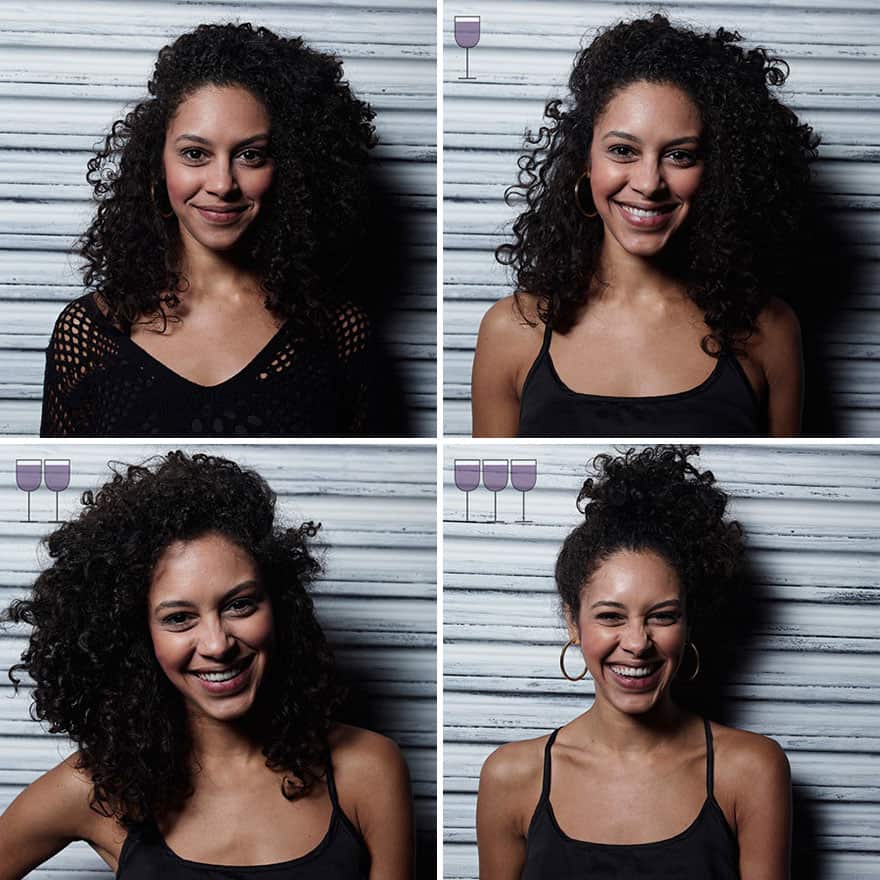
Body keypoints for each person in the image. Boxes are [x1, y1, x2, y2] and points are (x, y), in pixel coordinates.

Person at [0, 452, 412, 878]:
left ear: (278, 605)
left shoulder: (367, 770)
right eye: (179, 618)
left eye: (239, 605)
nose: (217, 644)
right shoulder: (101, 789)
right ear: (136, 636)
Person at [472, 15, 818, 437]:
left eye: (680, 155)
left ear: (718, 171)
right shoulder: (512, 330)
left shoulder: (770, 331)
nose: (649, 183)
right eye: (623, 150)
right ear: (586, 160)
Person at [40, 23, 377, 437]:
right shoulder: (89, 332)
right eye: (195, 154)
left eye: (250, 155)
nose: (222, 184)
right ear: (157, 163)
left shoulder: (338, 331)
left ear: (289, 170)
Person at [477, 446, 791, 879]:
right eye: (610, 617)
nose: (638, 643)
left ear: (688, 623)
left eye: (662, 616)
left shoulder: (751, 771)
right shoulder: (512, 777)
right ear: (573, 621)